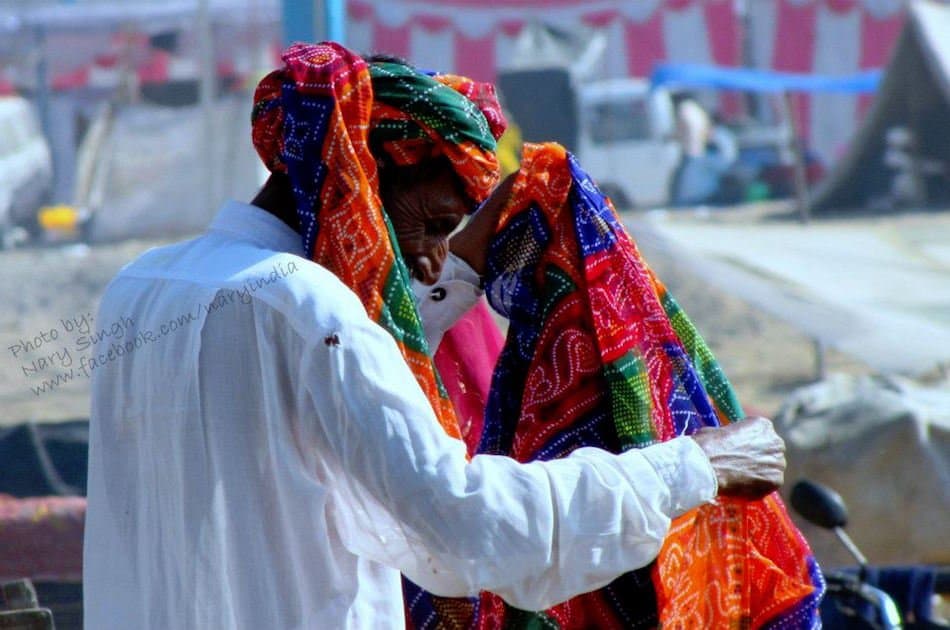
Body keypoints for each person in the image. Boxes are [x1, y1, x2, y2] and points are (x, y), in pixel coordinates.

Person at [83, 42, 786, 629]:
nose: (429, 256)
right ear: (365, 172)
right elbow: (466, 528)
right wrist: (695, 466)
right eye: (434, 220)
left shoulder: (142, 290)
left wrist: (463, 268)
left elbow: (310, 374)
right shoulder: (308, 311)